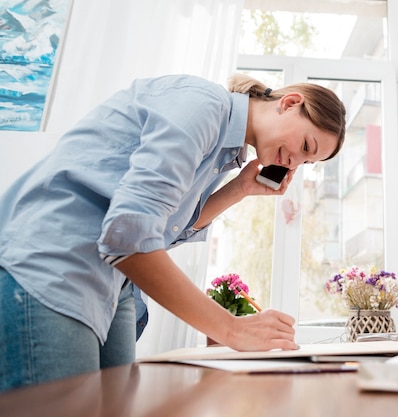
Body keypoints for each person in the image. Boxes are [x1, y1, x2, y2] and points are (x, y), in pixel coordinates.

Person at [0, 73, 346, 392]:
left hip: (111, 279)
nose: (294, 164)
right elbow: (129, 236)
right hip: (55, 260)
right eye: (305, 147)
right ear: (289, 103)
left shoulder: (225, 151)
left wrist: (237, 190)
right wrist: (231, 329)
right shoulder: (203, 107)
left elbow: (159, 234)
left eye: (307, 163)